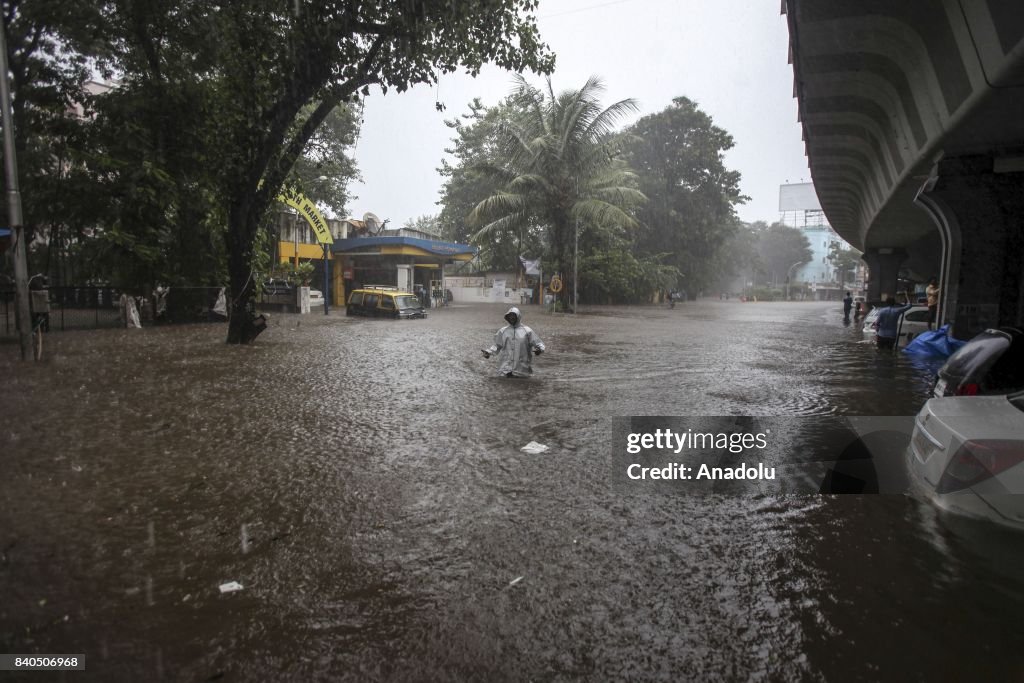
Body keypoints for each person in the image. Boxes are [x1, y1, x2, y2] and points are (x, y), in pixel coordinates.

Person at [482, 306, 545, 377]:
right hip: (505, 370)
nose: (511, 318)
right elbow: (497, 346)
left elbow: (539, 343)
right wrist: (488, 352)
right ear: (507, 317)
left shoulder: (527, 331)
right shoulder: (503, 331)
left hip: (522, 370)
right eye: (510, 316)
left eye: (513, 315)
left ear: (518, 317)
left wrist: (540, 350)